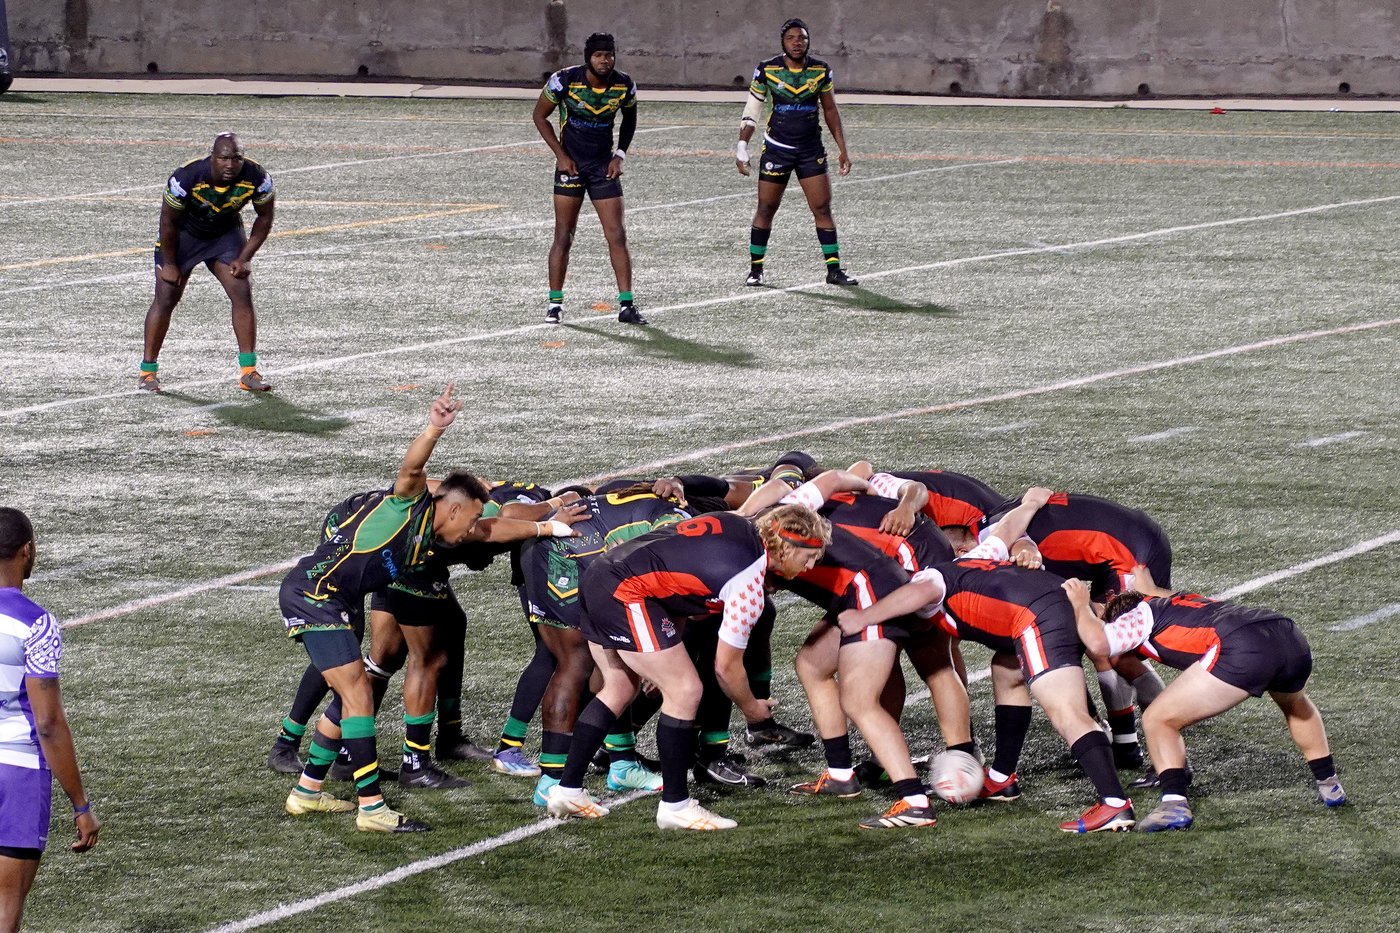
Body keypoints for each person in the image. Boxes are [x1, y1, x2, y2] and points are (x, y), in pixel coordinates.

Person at [838, 488, 1142, 834]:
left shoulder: (931, 577)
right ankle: (1001, 777)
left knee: (1067, 713)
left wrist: (865, 617)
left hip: (1037, 618)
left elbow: (920, 592)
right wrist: (1029, 504)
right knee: (1006, 671)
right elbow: (1007, 531)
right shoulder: (974, 557)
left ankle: (1115, 804)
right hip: (1054, 603)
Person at [278, 386, 486, 833]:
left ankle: (307, 792)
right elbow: (412, 467)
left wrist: (546, 522)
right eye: (469, 519)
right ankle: (372, 809)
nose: (470, 530)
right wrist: (435, 428)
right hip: (315, 595)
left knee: (351, 694)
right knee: (358, 696)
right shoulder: (408, 504)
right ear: (452, 507)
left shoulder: (431, 540)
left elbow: (496, 530)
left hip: (330, 598)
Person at [547, 505, 831, 830]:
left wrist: (665, 653)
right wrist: (753, 710)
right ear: (787, 546)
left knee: (619, 687)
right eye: (809, 556)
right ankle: (676, 806)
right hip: (625, 591)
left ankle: (567, 789)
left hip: (603, 575)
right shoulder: (748, 583)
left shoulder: (736, 523)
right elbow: (726, 667)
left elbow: (673, 581)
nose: (811, 566)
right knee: (686, 690)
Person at [1070, 567, 1345, 832]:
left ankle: (1174, 804)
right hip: (1287, 634)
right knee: (1296, 705)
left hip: (1242, 645)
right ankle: (1329, 783)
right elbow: (1159, 594)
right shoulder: (1178, 602)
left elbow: (1099, 644)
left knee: (1158, 718)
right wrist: (1148, 587)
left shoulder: (1136, 616)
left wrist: (1082, 605)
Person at [0, 509, 99, 933]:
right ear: (27, 550)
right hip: (18, 775)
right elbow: (48, 724)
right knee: (5, 910)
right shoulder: (36, 623)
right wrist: (81, 805)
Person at [139, 132, 276, 393]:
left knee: (241, 291)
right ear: (213, 157)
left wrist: (245, 257)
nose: (230, 165)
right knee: (166, 297)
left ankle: (249, 372)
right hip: (183, 236)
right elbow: (167, 221)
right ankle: (147, 372)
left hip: (224, 234)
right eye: (224, 158)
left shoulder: (258, 177)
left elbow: (265, 218)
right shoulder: (186, 177)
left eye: (236, 159)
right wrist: (169, 262)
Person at [533, 32, 645, 326]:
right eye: (598, 55)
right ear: (588, 58)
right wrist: (560, 155)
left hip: (602, 168)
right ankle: (555, 304)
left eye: (609, 55)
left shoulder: (624, 84)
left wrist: (619, 155)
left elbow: (630, 119)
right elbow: (539, 116)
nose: (604, 60)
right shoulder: (564, 81)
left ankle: (626, 305)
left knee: (617, 234)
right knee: (563, 235)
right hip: (571, 167)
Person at [736, 18, 857, 288]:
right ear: (783, 41)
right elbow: (753, 109)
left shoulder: (821, 70)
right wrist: (742, 145)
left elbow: (830, 110)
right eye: (791, 37)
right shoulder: (767, 69)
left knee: (822, 207)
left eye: (801, 37)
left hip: (810, 149)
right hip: (777, 150)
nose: (797, 42)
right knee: (766, 208)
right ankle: (756, 270)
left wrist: (842, 149)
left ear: (808, 41)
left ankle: (834, 270)